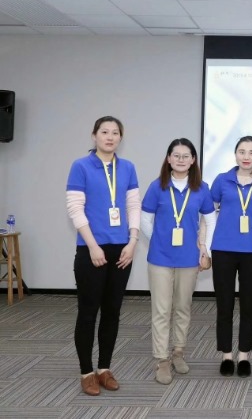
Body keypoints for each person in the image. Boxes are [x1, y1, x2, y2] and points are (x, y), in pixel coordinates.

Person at [66, 116, 141, 396]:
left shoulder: (128, 167)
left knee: (112, 312)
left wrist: (132, 242)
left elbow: (133, 206)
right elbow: (75, 209)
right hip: (91, 249)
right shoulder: (81, 166)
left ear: (121, 137)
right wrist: (93, 246)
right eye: (104, 132)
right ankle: (87, 372)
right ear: (94, 135)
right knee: (88, 312)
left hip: (122, 249)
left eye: (115, 133)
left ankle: (104, 368)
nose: (110, 137)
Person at [140, 138, 214, 385]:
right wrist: (157, 240)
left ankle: (178, 352)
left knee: (183, 307)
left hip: (189, 259)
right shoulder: (157, 187)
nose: (181, 159)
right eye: (176, 155)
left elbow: (210, 220)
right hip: (160, 258)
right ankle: (161, 360)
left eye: (186, 156)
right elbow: (144, 219)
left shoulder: (201, 188)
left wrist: (205, 250)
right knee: (161, 310)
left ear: (193, 160)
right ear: (169, 159)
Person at [209, 136, 252, 378]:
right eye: (242, 151)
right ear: (235, 154)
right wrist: (204, 245)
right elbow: (208, 214)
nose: (246, 156)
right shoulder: (222, 180)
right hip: (223, 249)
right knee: (224, 304)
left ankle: (244, 355)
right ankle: (226, 355)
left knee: (248, 305)